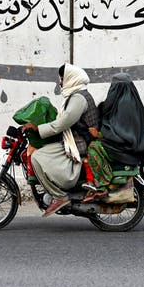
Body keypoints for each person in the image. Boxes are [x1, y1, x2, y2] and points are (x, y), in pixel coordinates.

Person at [22, 63, 100, 216]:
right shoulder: (75, 95)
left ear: (72, 79)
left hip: (79, 144)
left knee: (37, 156)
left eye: (63, 78)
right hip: (74, 140)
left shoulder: (79, 98)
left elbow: (64, 122)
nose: (61, 82)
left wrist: (38, 128)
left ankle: (59, 196)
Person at [81, 72, 144, 202]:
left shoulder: (125, 104)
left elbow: (120, 133)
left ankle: (101, 185)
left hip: (125, 148)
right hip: (128, 145)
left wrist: (99, 135)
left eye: (114, 86)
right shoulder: (128, 101)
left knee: (93, 147)